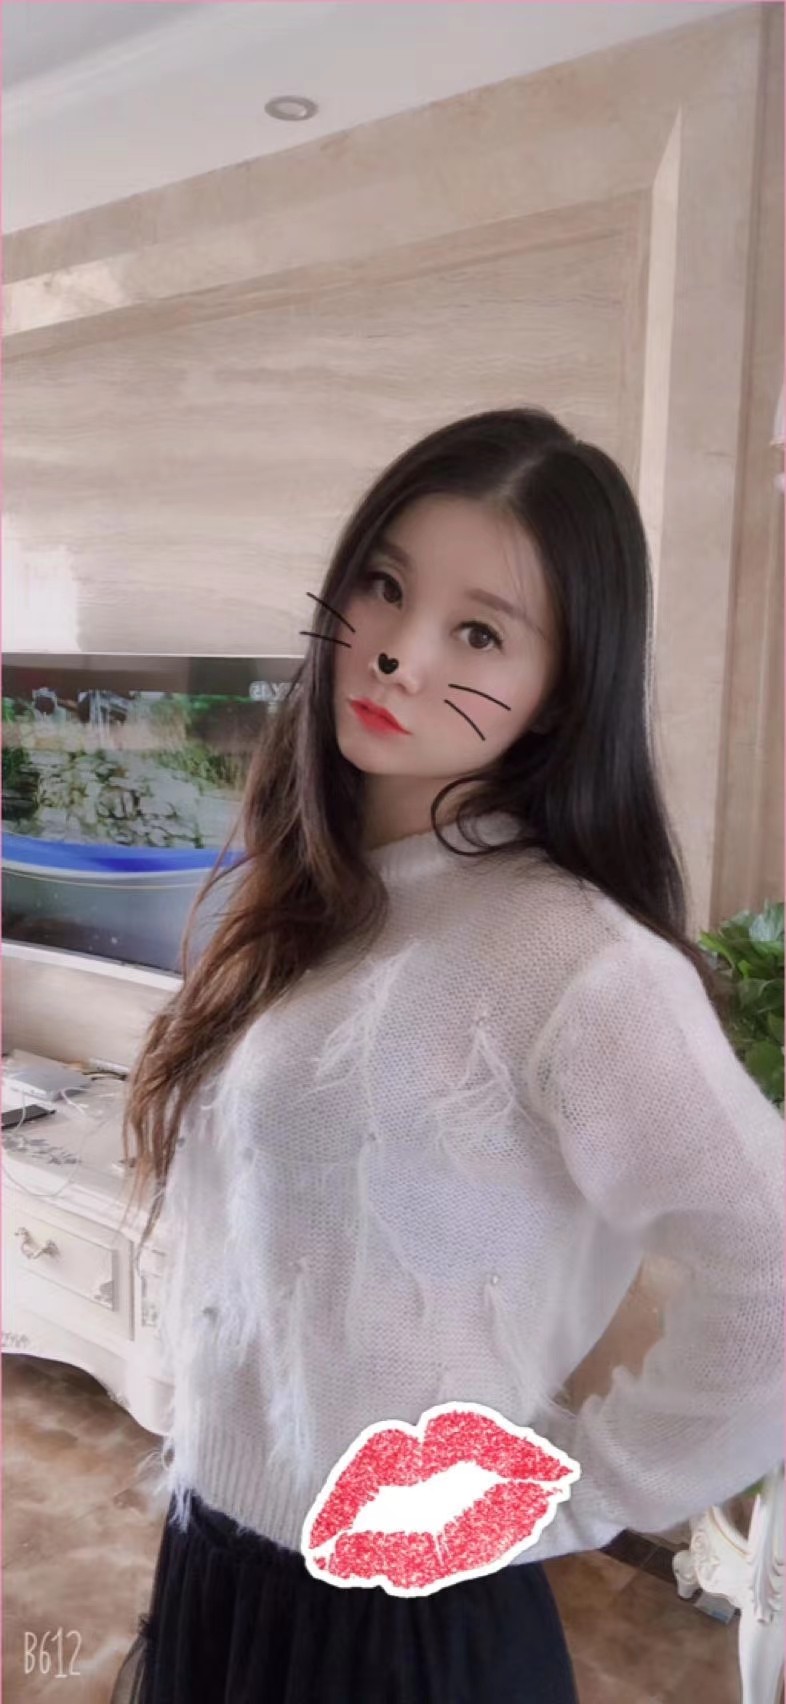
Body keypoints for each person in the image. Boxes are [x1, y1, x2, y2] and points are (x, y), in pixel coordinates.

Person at [111, 408, 784, 1703]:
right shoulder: (323, 895)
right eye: (384, 584)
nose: (399, 654)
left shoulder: (573, 963)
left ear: (559, 690)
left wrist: (566, 1496)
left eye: (478, 632)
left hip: (397, 1638)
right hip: (221, 1565)